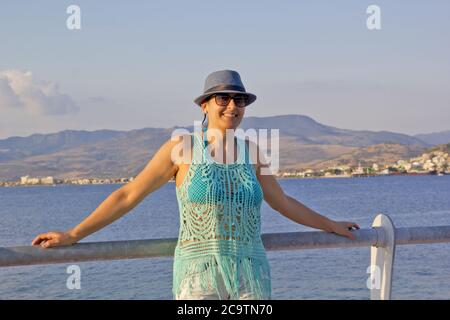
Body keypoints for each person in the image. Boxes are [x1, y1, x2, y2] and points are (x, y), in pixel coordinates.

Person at [32, 69, 360, 300]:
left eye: (240, 100)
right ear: (204, 105)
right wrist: (74, 234)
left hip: (251, 273)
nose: (232, 106)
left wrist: (330, 224)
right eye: (223, 98)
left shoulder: (252, 152)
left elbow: (282, 202)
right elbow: (128, 195)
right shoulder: (182, 149)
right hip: (198, 276)